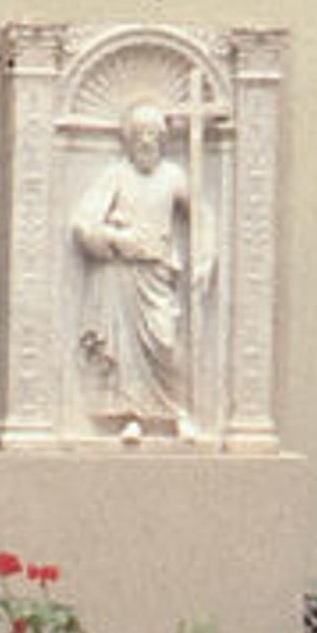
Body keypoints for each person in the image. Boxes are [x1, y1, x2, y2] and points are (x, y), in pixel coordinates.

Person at [72, 100, 208, 438]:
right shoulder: (116, 175)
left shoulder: (173, 176)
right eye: (138, 134)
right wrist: (116, 238)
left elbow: (202, 217)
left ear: (162, 140)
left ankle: (178, 413)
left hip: (157, 273)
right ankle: (131, 415)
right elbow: (82, 223)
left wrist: (205, 257)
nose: (146, 141)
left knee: (165, 342)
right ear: (128, 140)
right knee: (124, 351)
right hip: (121, 275)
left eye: (152, 134)